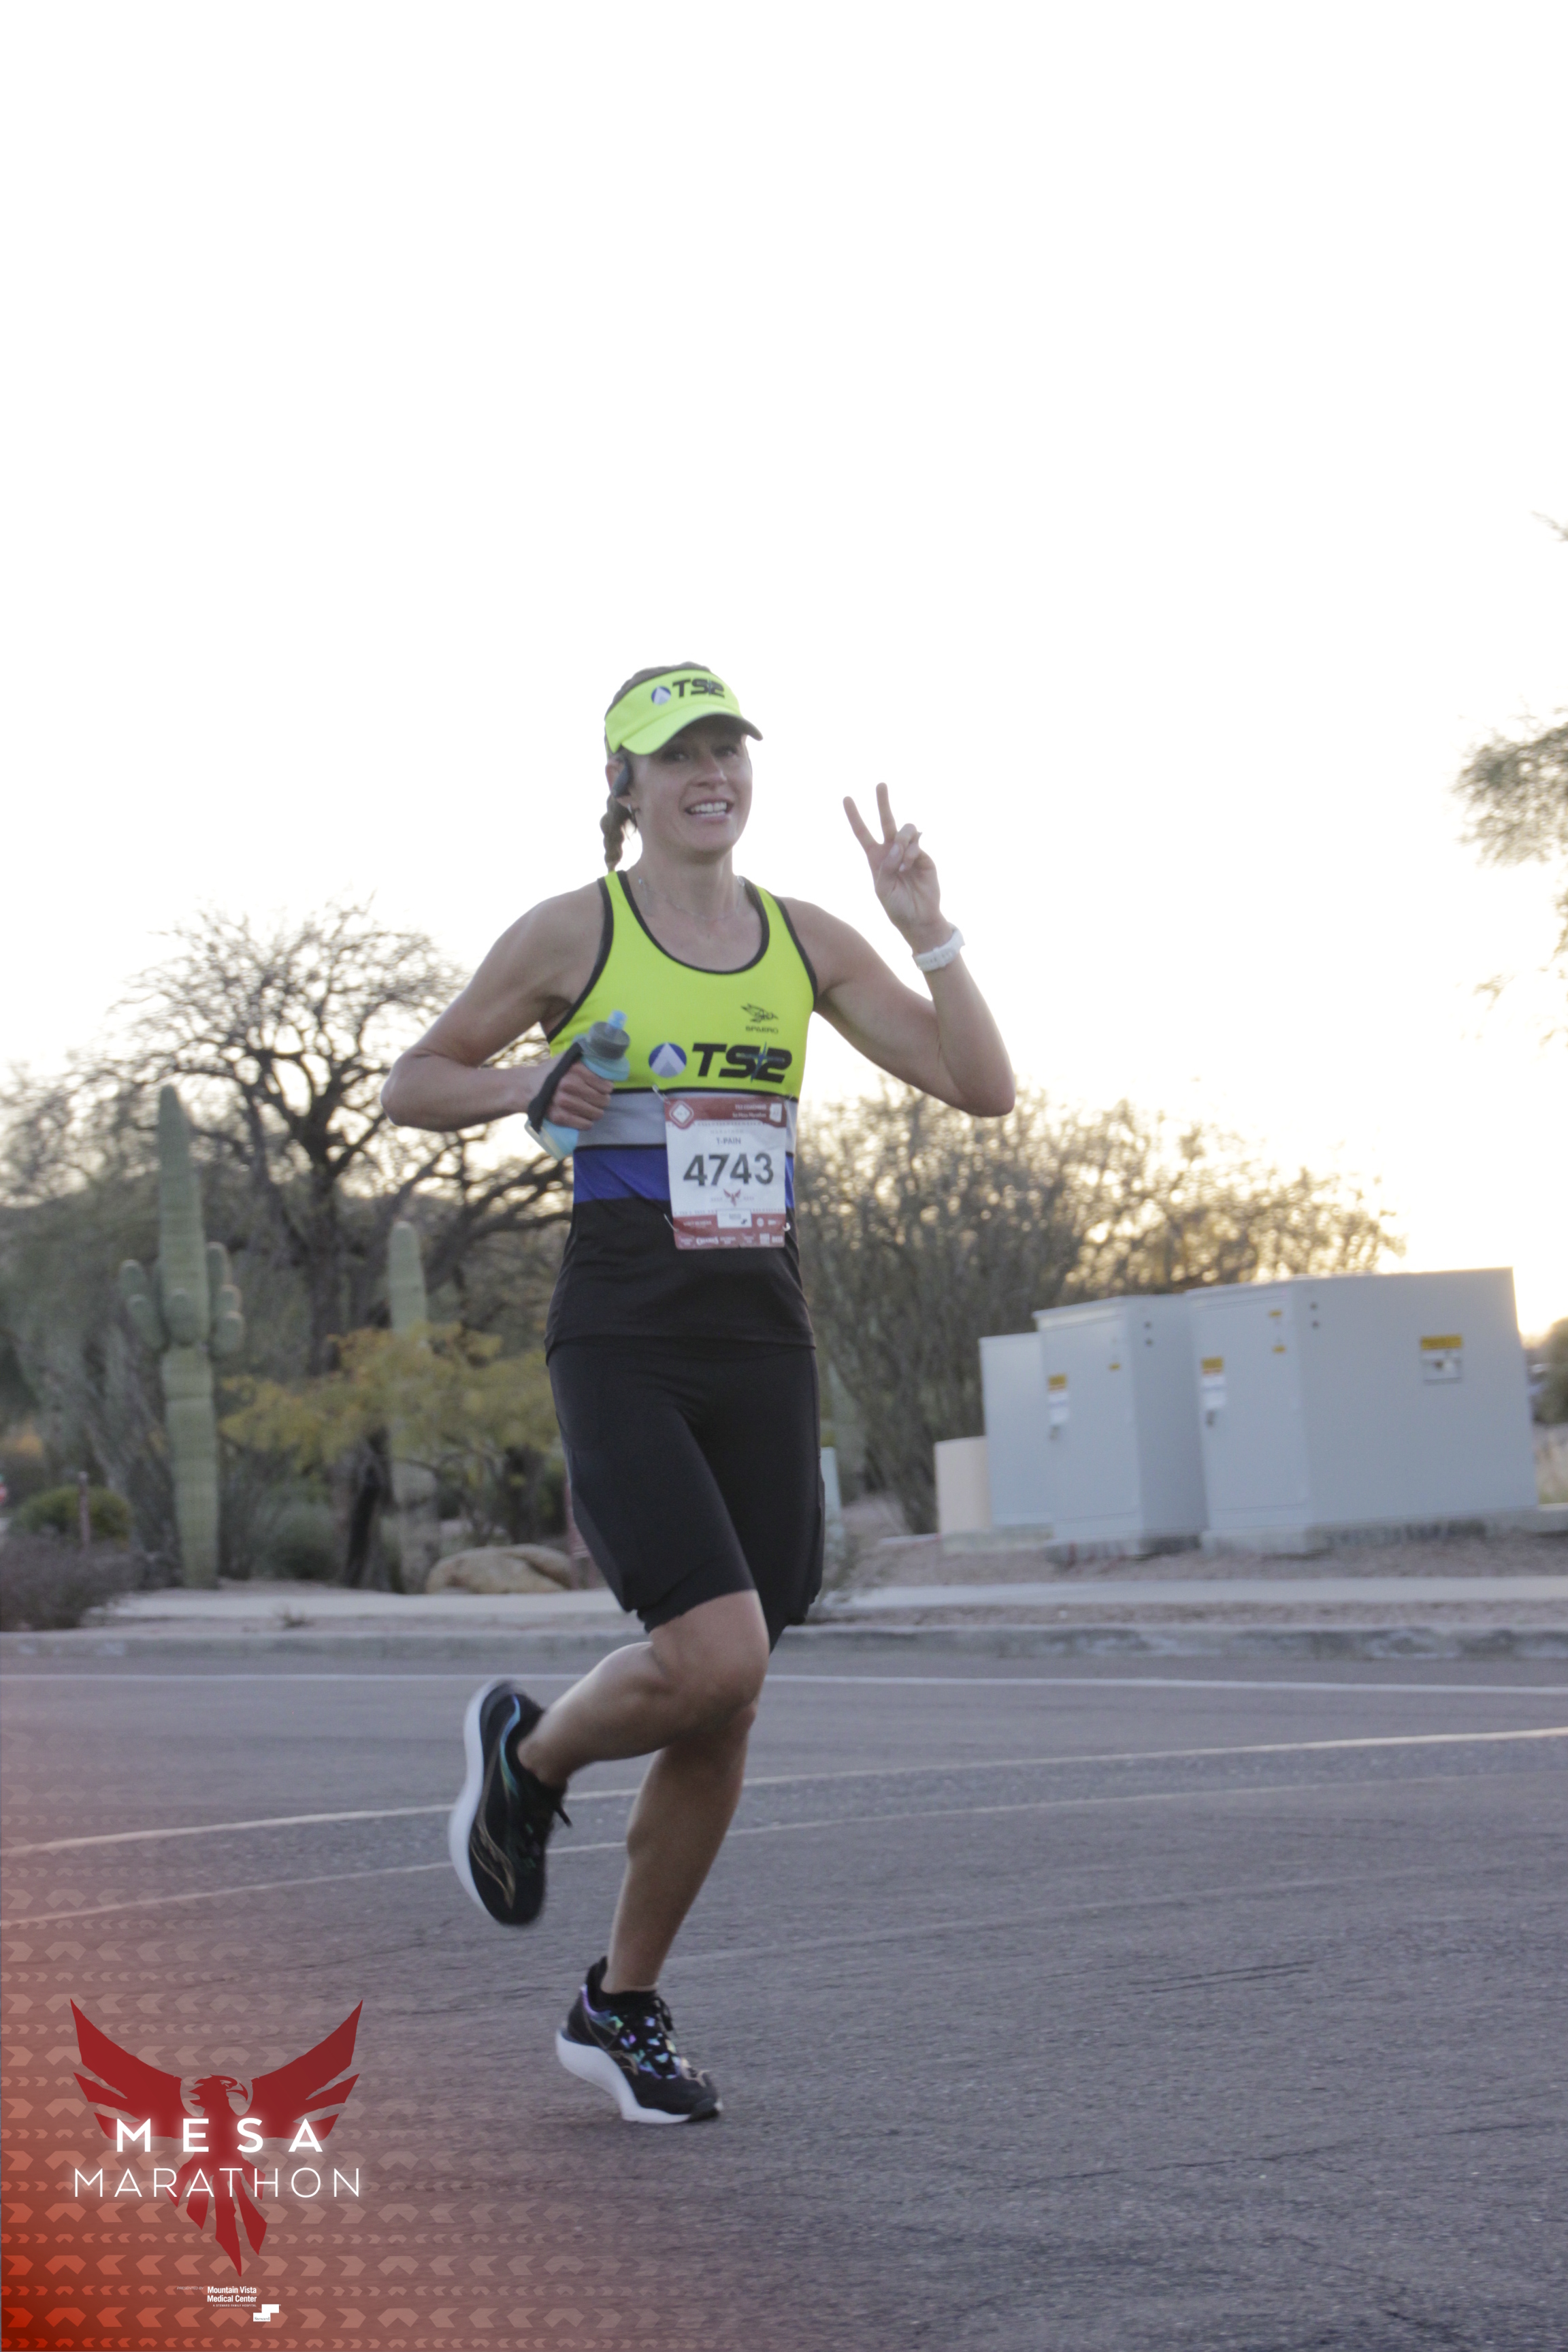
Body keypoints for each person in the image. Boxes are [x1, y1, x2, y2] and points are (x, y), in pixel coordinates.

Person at [382, 662, 1013, 2123]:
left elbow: (981, 1087)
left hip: (761, 1340)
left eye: (727, 748)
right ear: (627, 784)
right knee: (716, 1652)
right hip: (625, 1333)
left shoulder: (805, 938)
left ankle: (620, 2007)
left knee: (726, 1702)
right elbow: (413, 1082)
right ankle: (532, 1758)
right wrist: (528, 1088)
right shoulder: (575, 930)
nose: (709, 773)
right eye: (677, 755)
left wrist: (932, 935)